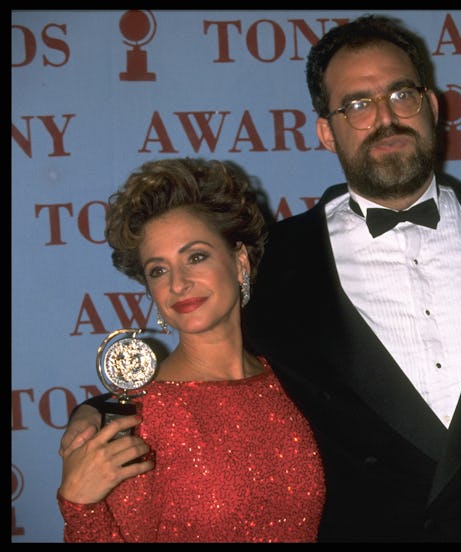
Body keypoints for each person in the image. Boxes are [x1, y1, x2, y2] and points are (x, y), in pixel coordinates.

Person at [59, 17, 461, 543]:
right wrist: (99, 414)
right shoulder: (275, 258)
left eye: (400, 93)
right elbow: (211, 369)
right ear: (325, 130)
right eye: (356, 104)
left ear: (431, 105)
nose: (383, 117)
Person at [57, 158, 325, 542]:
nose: (179, 283)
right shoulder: (140, 419)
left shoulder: (292, 381)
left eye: (195, 256)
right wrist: (79, 505)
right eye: (159, 270)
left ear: (240, 261)